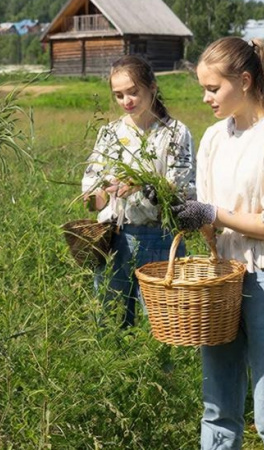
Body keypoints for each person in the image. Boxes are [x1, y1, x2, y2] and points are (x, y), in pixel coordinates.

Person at [173, 37, 264, 449]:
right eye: (203, 88)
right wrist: (195, 217)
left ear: (246, 81)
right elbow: (208, 212)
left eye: (213, 88)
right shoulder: (216, 137)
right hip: (223, 281)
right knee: (218, 412)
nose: (205, 98)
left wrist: (213, 213)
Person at [81, 55, 196, 328]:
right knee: (111, 324)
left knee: (165, 328)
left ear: (152, 88)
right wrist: (94, 197)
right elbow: (94, 185)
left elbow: (180, 190)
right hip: (114, 237)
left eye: (133, 92)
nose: (126, 101)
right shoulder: (109, 133)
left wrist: (142, 186)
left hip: (160, 238)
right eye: (119, 95)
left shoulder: (174, 133)